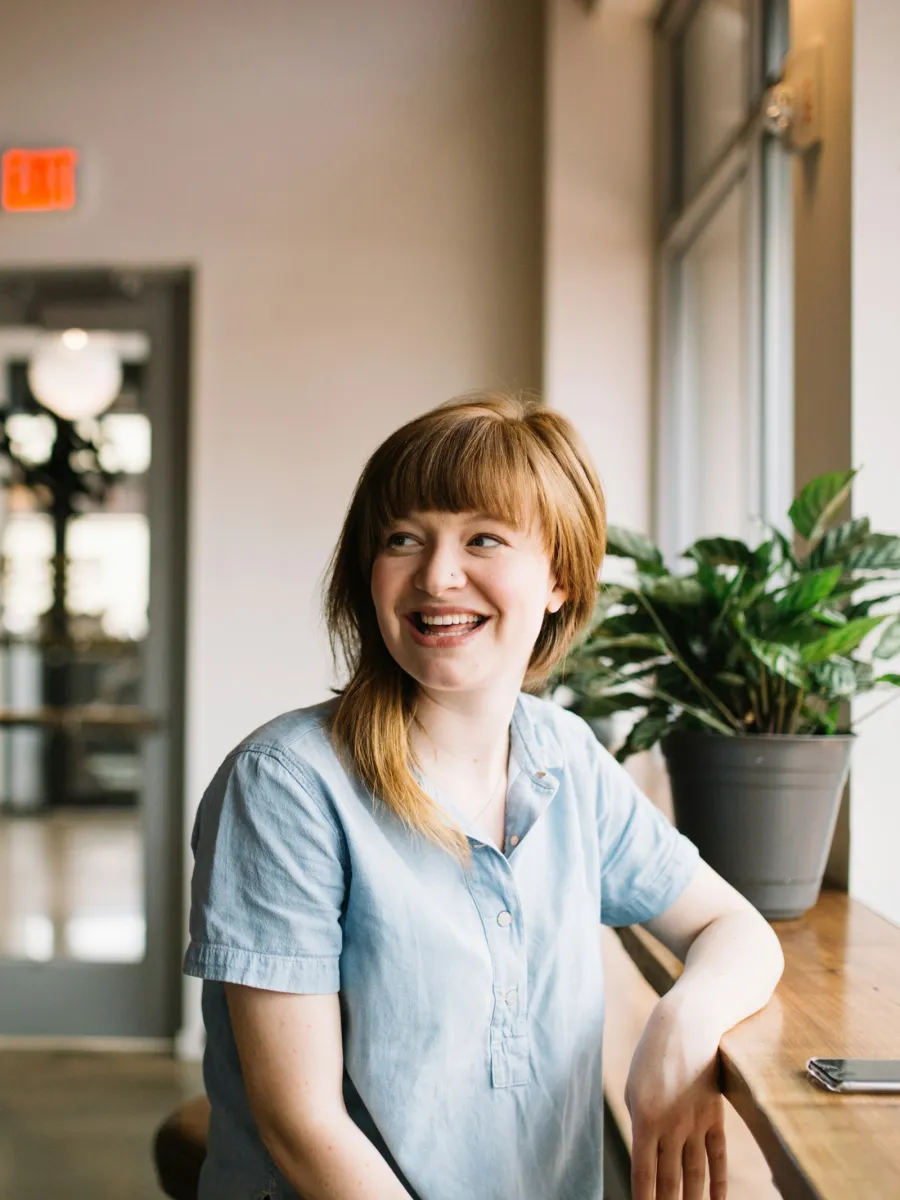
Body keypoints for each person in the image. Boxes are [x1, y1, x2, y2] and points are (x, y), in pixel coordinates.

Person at [184, 392, 784, 1200]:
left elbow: (734, 928)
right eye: (403, 539)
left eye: (483, 539)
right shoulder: (286, 784)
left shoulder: (564, 756)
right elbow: (304, 1129)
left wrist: (682, 1023)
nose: (436, 575)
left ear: (559, 580)